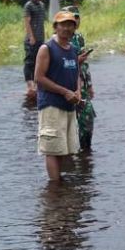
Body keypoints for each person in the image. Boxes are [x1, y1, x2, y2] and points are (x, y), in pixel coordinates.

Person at [35, 10, 87, 180]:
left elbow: (77, 73)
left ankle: (60, 187)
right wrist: (64, 92)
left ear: (75, 28)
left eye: (70, 25)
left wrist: (78, 91)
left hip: (69, 105)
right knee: (52, 149)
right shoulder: (47, 48)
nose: (66, 28)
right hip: (51, 105)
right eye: (62, 24)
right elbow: (39, 78)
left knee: (64, 148)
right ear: (55, 27)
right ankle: (55, 188)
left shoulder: (72, 49)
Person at [62, 5, 95, 152]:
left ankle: (85, 153)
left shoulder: (78, 37)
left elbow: (84, 65)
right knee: (65, 122)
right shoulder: (56, 41)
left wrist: (89, 85)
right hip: (64, 85)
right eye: (71, 18)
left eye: (77, 17)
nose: (75, 21)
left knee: (87, 116)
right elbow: (57, 64)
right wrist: (76, 60)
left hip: (80, 83)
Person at [23, 0, 48, 101]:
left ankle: (38, 84)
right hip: (31, 40)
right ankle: (29, 85)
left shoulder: (42, 5)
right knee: (30, 62)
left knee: (40, 62)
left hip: (41, 39)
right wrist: (31, 37)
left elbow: (42, 22)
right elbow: (27, 22)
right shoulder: (28, 5)